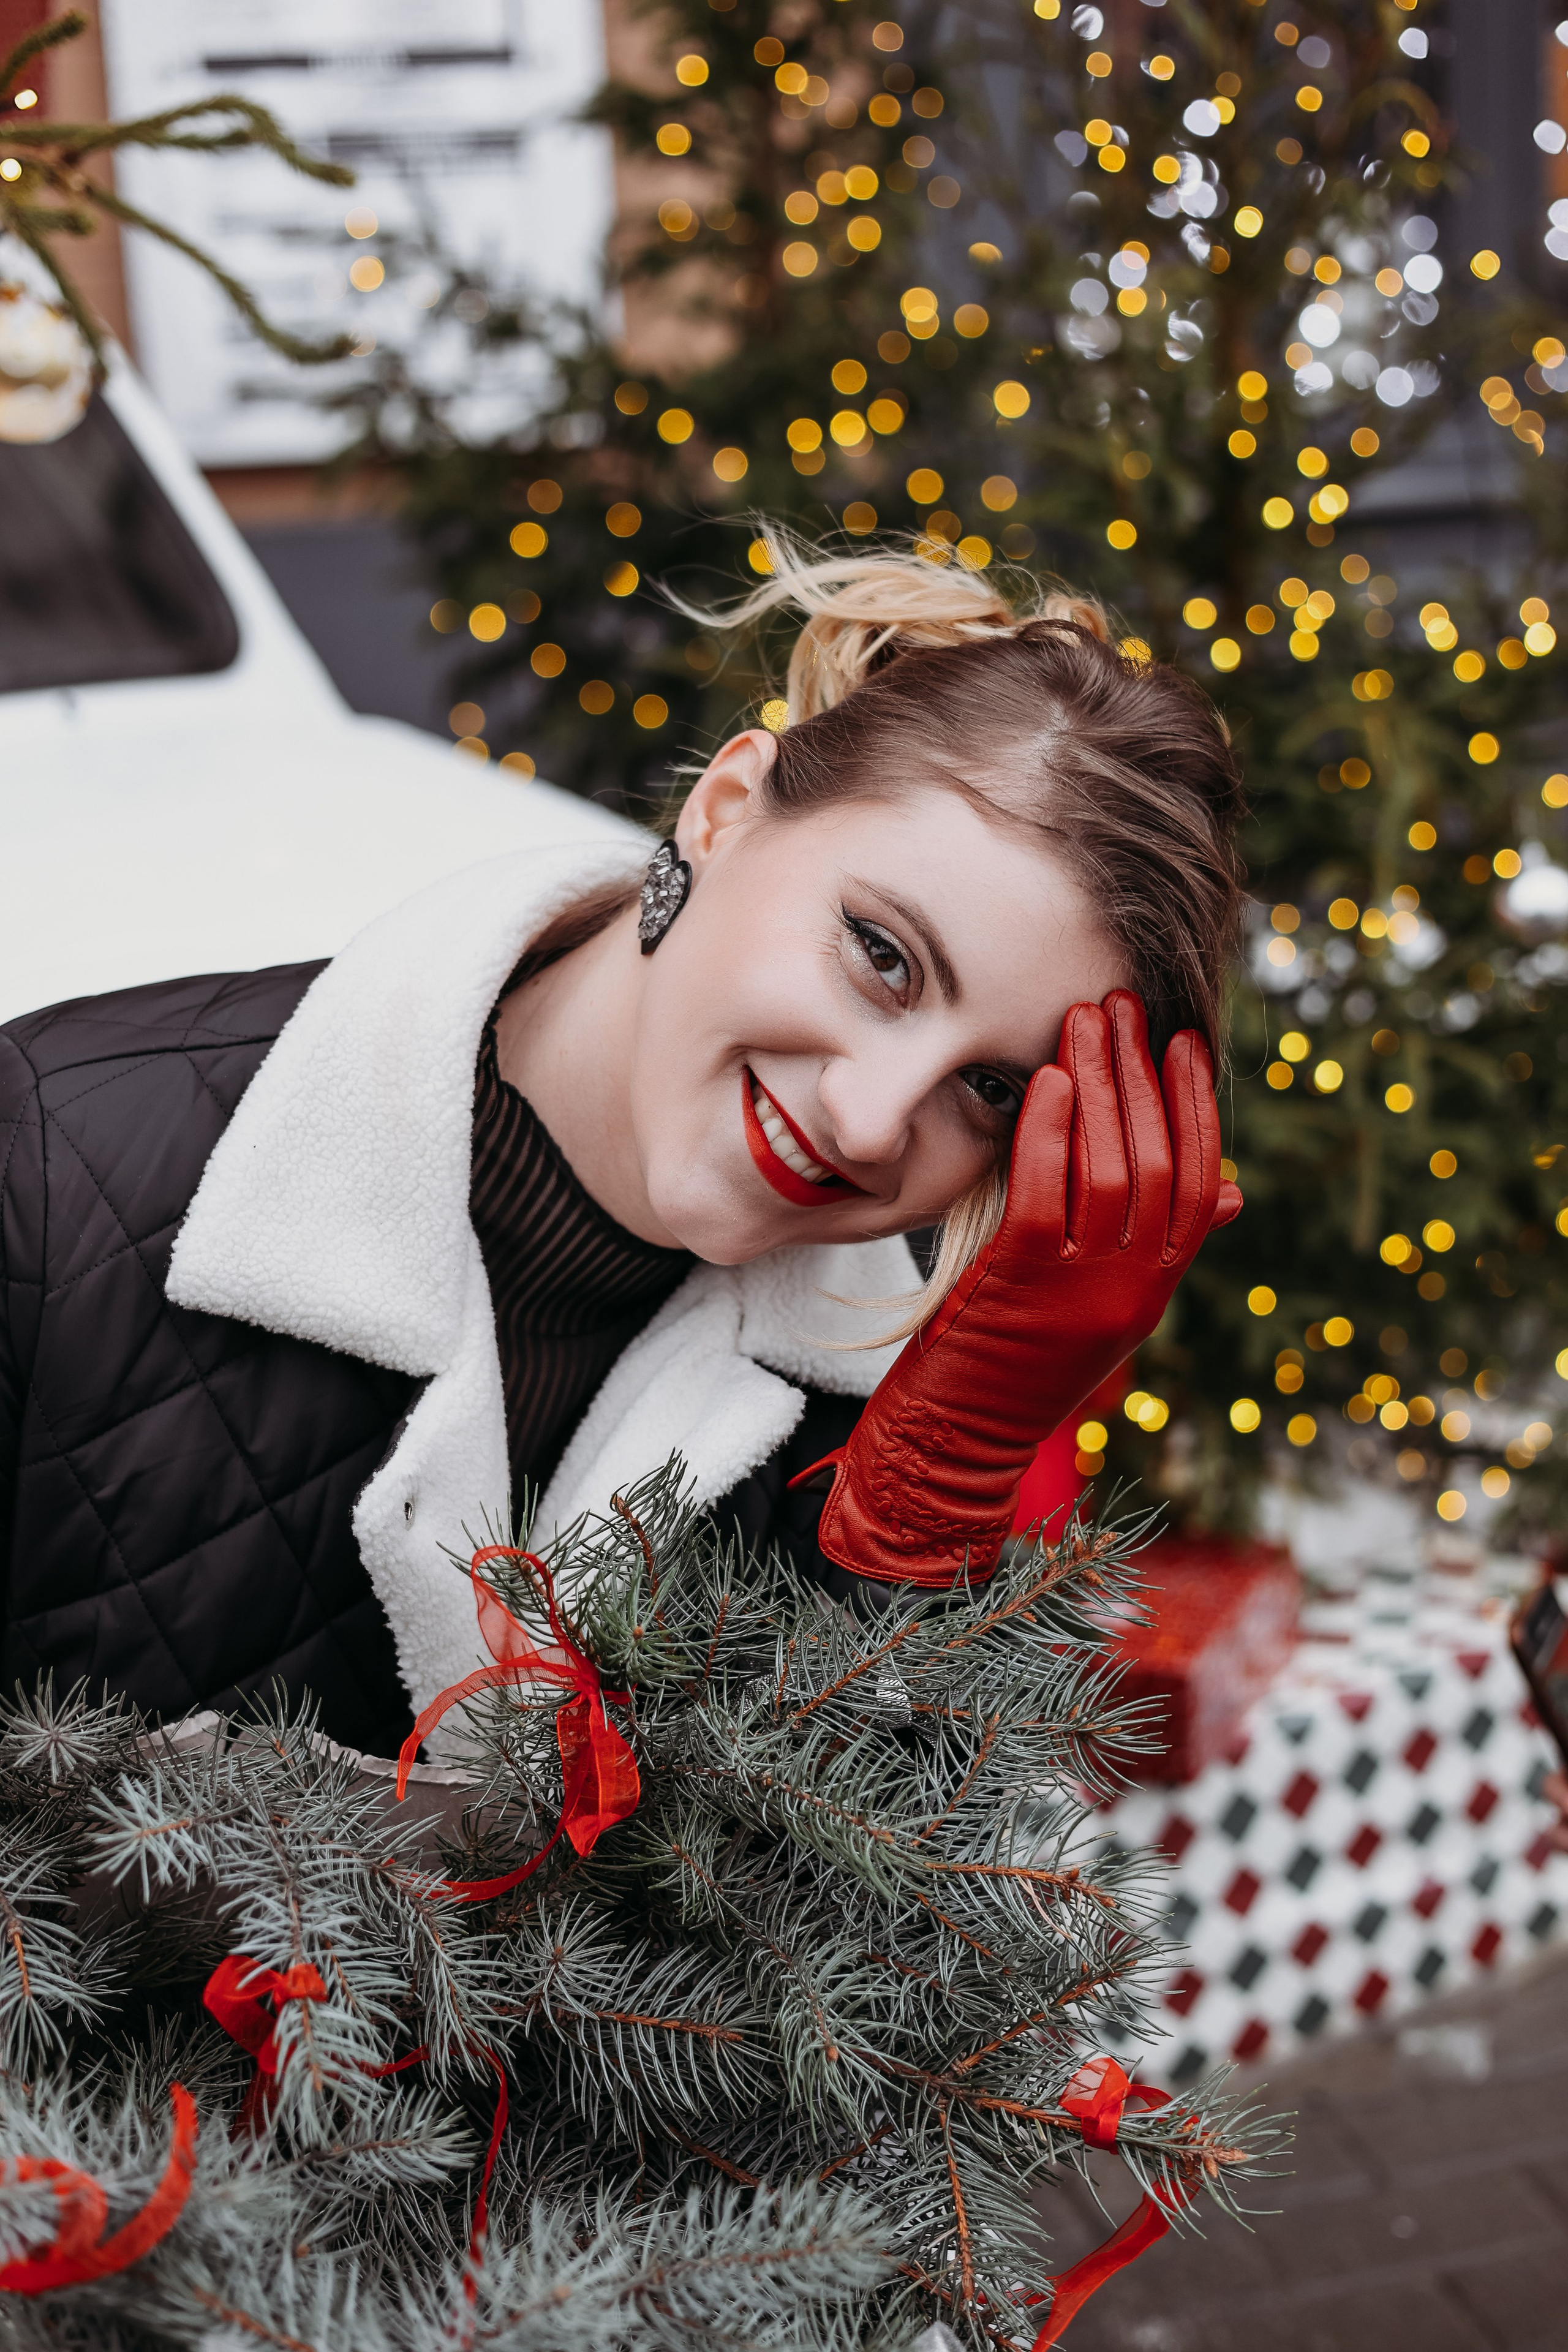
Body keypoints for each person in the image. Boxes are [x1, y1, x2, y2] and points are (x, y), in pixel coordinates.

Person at [0, 538, 1245, 1757]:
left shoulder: (882, 1400)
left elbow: (888, 1930)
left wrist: (925, 1506)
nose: (870, 1123)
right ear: (720, 812)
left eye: (985, 1088)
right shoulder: (49, 1172)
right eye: (880, 955)